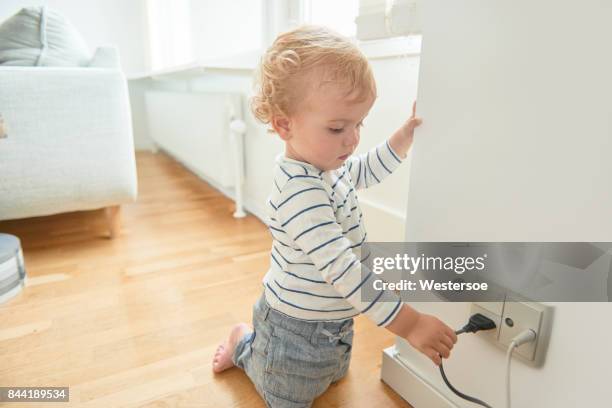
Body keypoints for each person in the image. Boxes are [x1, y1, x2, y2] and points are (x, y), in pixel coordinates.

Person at [212, 25, 457, 407]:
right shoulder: (299, 192)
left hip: (335, 321)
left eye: (358, 123)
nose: (352, 138)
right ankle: (244, 345)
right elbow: (342, 268)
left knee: (332, 376)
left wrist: (404, 136)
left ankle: (279, 353)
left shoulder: (328, 165)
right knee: (288, 397)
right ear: (283, 125)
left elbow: (367, 169)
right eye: (337, 127)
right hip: (292, 332)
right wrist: (409, 324)